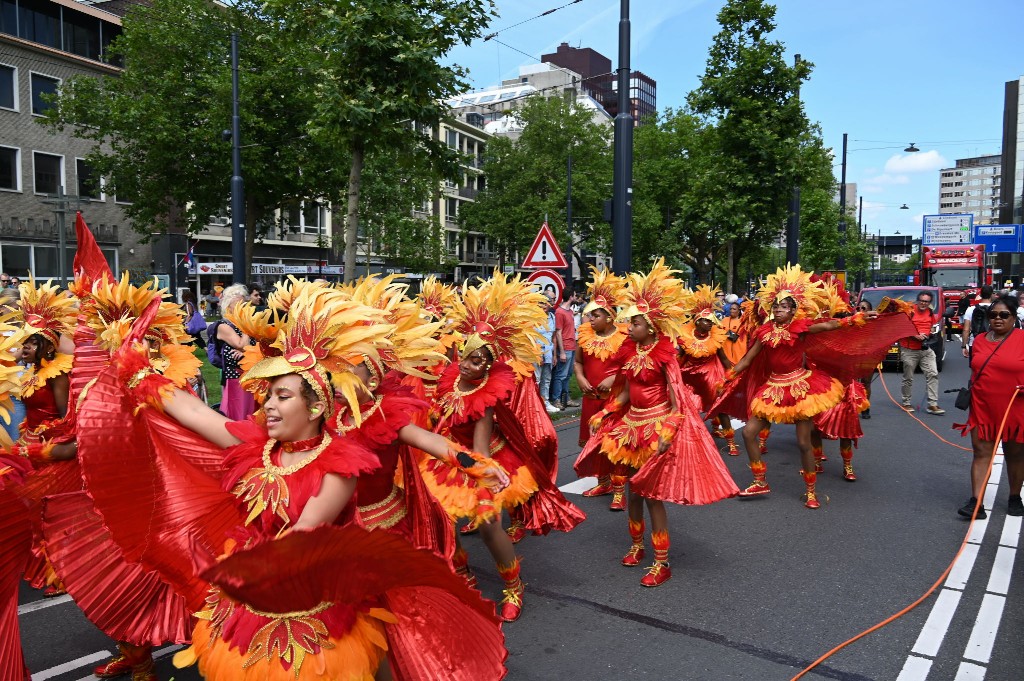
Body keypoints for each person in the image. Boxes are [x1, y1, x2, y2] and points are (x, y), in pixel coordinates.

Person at [77, 282, 508, 680]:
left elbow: (303, 536)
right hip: (258, 589)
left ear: (316, 406)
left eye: (282, 397)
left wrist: (470, 461)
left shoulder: (339, 465)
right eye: (268, 396)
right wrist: (140, 374)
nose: (268, 406)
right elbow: (196, 414)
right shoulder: (259, 445)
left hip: (312, 593)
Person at [429, 272, 585, 620]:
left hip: (483, 459)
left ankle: (513, 584)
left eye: (476, 361)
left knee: (488, 525)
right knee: (439, 519)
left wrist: (476, 479)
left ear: (489, 364)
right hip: (451, 454)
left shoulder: (486, 396)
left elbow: (481, 451)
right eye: (465, 357)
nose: (467, 365)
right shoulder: (449, 378)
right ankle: (463, 572)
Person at [577, 259, 738, 586]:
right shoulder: (630, 351)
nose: (628, 327)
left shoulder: (664, 355)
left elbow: (678, 399)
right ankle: (637, 546)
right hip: (631, 428)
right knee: (635, 492)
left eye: (633, 323)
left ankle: (661, 561)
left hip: (655, 427)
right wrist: (606, 412)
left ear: (649, 326)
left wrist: (668, 429)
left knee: (652, 496)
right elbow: (626, 392)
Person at [719, 265, 897, 509]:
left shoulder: (799, 328)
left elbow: (826, 326)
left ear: (793, 310)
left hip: (800, 388)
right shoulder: (765, 332)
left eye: (784, 307)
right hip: (773, 388)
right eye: (776, 306)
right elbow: (748, 360)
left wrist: (855, 320)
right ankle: (759, 480)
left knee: (804, 443)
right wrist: (729, 375)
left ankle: (811, 491)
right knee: (749, 433)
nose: (779, 310)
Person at [955, 296, 1024, 519]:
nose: (998, 319)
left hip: (1015, 407)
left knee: (1015, 454)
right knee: (981, 452)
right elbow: (976, 370)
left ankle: (1014, 497)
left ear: (1014, 318)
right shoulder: (981, 340)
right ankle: (977, 502)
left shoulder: (1022, 339)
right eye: (993, 315)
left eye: (1004, 315)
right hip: (983, 405)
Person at [573, 267, 628, 503]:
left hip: (614, 400)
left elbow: (629, 367)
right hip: (590, 397)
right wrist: (581, 379)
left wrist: (613, 378)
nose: (590, 319)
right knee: (594, 444)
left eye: (595, 315)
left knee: (614, 444)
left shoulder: (625, 336)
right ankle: (603, 483)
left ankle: (618, 491)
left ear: (610, 316)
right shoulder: (584, 334)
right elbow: (577, 362)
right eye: (589, 315)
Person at [676, 285, 739, 456]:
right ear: (697, 321)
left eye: (711, 320)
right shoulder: (685, 337)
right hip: (689, 376)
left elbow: (725, 360)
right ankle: (688, 441)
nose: (710, 323)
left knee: (720, 407)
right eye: (706, 320)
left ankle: (731, 442)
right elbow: (679, 358)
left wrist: (731, 376)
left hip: (711, 375)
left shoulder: (715, 337)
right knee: (686, 409)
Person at [215, 283, 256, 420]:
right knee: (238, 416)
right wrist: (247, 325)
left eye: (244, 304)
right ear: (228, 307)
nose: (243, 308)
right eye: (238, 305)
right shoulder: (223, 326)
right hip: (236, 379)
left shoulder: (249, 325)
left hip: (254, 377)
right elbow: (242, 345)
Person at [900, 291, 944, 415]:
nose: (923, 303)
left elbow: (932, 328)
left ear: (930, 303)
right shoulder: (909, 311)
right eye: (922, 300)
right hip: (909, 349)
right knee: (908, 378)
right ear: (917, 300)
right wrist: (914, 335)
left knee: (933, 374)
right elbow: (901, 328)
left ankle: (932, 404)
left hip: (925, 349)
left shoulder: (930, 313)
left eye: (926, 301)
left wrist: (928, 336)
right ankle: (906, 402)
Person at [551, 289, 578, 410]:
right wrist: (561, 352)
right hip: (566, 347)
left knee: (567, 375)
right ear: (571, 297)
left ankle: (565, 398)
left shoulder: (570, 311)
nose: (576, 296)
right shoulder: (560, 312)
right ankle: (556, 399)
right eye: (575, 294)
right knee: (561, 375)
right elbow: (558, 333)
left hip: (571, 347)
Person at [535, 290, 558, 413]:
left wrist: (554, 355)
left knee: (547, 379)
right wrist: (537, 354)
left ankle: (546, 402)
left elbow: (553, 336)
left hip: (548, 352)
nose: (553, 303)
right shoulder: (533, 317)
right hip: (537, 353)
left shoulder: (552, 317)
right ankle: (536, 403)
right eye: (552, 300)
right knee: (537, 379)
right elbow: (531, 337)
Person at [961, 284, 994, 354]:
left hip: (975, 342)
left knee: (975, 364)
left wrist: (964, 346)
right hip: (992, 342)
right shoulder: (996, 309)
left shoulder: (971, 309)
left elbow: (966, 329)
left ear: (980, 295)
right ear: (991, 295)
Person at [856, 299, 875, 419]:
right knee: (849, 383)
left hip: (868, 357)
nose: (860, 311)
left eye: (864, 308)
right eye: (858, 308)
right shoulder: (850, 321)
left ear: (869, 311)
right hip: (852, 357)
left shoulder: (874, 324)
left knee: (866, 382)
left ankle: (865, 407)